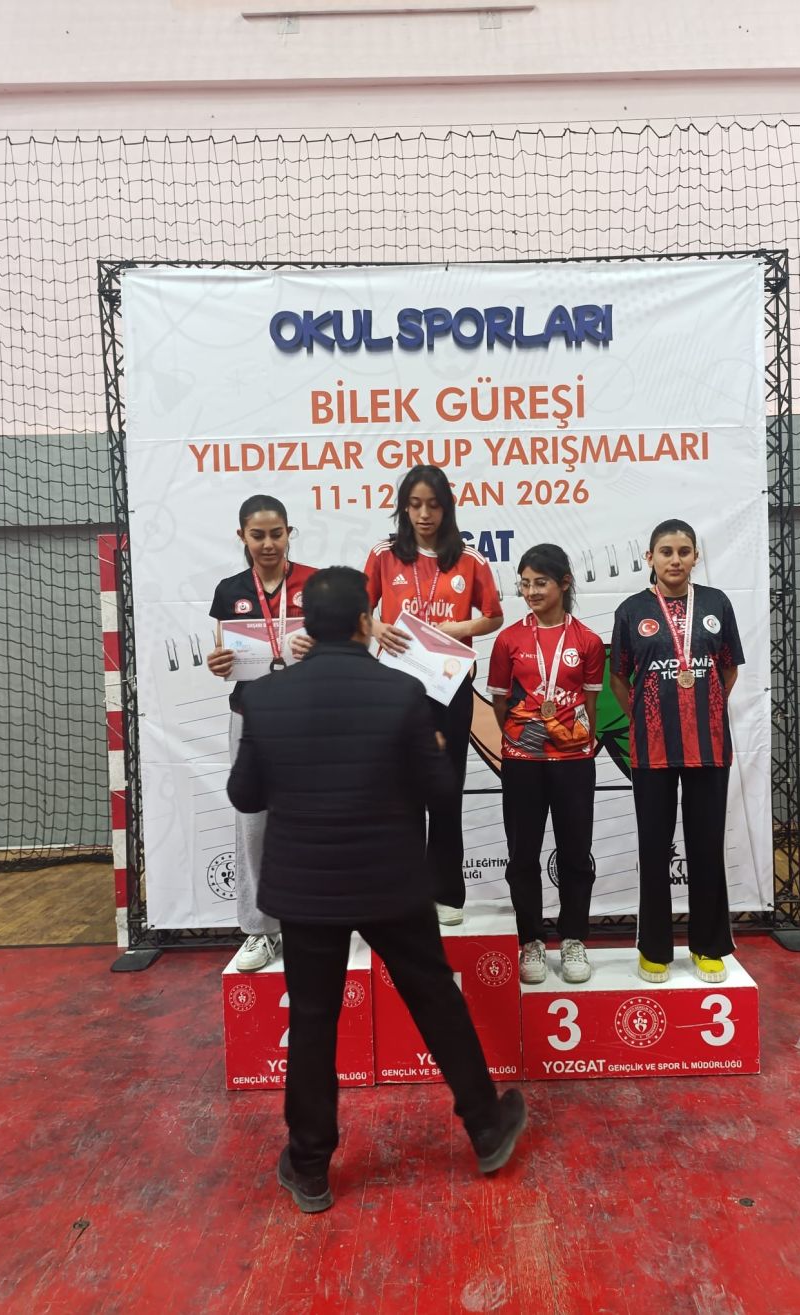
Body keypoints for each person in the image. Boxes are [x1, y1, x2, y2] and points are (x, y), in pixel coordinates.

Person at [227, 567, 527, 1213]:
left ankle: (310, 1165)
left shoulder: (265, 699)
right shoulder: (402, 692)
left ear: (308, 628)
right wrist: (435, 746)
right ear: (366, 623)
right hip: (391, 881)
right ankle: (485, 1127)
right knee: (436, 999)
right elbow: (440, 793)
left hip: (307, 889)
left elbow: (245, 795)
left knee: (312, 1020)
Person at [364, 465, 503, 925]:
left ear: (447, 508)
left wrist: (458, 628)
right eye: (416, 505)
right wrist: (378, 628)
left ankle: (447, 893)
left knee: (445, 787)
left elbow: (494, 615)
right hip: (398, 689)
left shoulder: (469, 558)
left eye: (434, 505)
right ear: (404, 507)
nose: (425, 514)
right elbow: (360, 609)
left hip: (450, 687)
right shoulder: (384, 555)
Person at [609, 519, 745, 985]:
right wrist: (646, 717)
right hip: (652, 751)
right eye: (665, 551)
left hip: (709, 748)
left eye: (684, 551)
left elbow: (728, 670)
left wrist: (705, 709)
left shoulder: (716, 603)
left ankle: (708, 946)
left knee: (706, 847)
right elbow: (619, 677)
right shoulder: (631, 610)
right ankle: (654, 949)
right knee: (654, 849)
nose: (675, 559)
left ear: (695, 557)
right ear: (650, 557)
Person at [206, 495, 317, 972]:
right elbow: (223, 656)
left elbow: (344, 644)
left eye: (277, 533)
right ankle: (259, 929)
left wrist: (321, 646)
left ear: (289, 532)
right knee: (253, 820)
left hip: (308, 718)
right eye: (258, 535)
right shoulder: (230, 590)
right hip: (250, 717)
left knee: (313, 819)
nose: (268, 543)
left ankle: (315, 922)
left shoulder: (315, 584)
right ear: (242, 537)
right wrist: (217, 663)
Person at [487, 545, 605, 986]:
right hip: (523, 762)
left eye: (541, 582)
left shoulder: (587, 641)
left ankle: (573, 938)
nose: (532, 591)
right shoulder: (508, 640)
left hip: (574, 762)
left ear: (564, 583)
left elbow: (590, 706)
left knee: (576, 853)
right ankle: (530, 940)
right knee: (522, 855)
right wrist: (524, 740)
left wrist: (571, 742)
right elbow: (500, 703)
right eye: (525, 583)